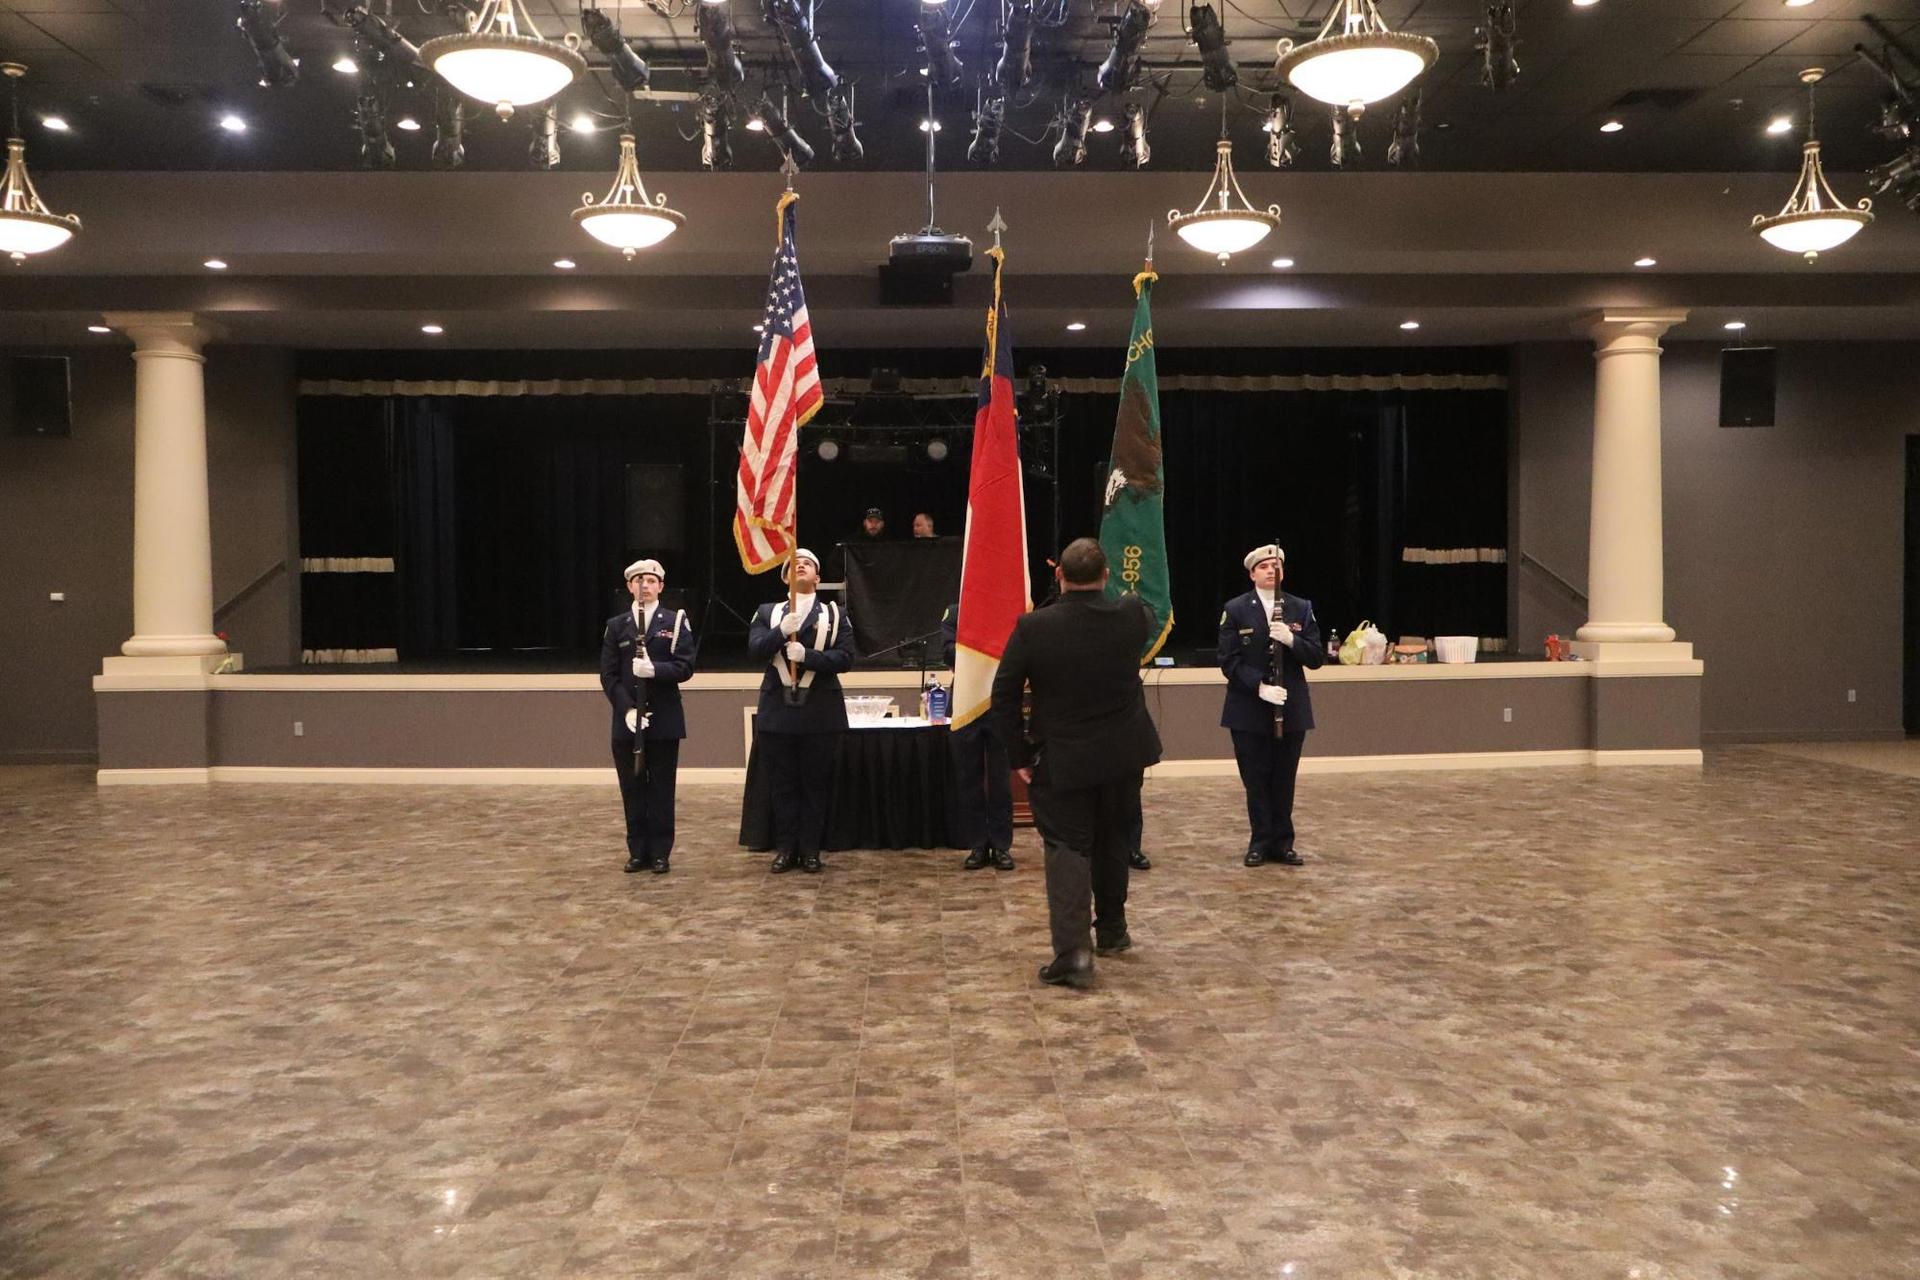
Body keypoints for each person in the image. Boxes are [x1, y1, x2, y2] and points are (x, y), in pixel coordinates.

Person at [990, 538, 1162, 988]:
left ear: (1059, 577)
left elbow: (1004, 695)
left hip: (1064, 758)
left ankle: (1074, 954)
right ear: (1106, 576)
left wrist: (1019, 756)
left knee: (1068, 848)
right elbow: (1140, 608)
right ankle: (1112, 930)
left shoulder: (1033, 628)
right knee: (1113, 839)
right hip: (1125, 755)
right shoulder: (1133, 615)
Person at [748, 548, 855, 874]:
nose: (801, 566)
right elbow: (753, 650)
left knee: (814, 784)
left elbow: (846, 658)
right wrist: (780, 632)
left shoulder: (836, 615)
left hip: (819, 711)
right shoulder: (767, 612)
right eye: (794, 564)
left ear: (818, 578)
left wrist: (807, 655)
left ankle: (810, 849)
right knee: (782, 785)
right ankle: (786, 848)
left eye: (808, 563)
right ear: (785, 578)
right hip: (778, 711)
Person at [1218, 544, 1324, 868]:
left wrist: (1294, 641)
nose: (1270, 570)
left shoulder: (1301, 608)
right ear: (1252, 574)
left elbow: (1316, 657)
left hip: (1290, 709)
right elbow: (1228, 660)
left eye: (1276, 564)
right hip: (1249, 709)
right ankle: (1260, 841)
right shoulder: (1236, 609)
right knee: (1256, 778)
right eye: (1264, 565)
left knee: (1283, 778)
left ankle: (1283, 842)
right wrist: (1258, 686)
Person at [599, 558, 698, 874]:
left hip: (664, 719)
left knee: (661, 790)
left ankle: (660, 851)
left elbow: (686, 667)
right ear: (629, 586)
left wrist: (656, 670)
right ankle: (637, 850)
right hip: (627, 722)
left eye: (651, 580)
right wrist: (627, 709)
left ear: (661, 586)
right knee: (632, 788)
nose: (645, 585)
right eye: (638, 580)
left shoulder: (675, 621)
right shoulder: (617, 626)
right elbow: (609, 675)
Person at [941, 602, 1014, 872]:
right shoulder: (956, 611)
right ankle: (977, 844)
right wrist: (981, 650)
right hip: (966, 698)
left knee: (1000, 781)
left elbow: (1016, 652)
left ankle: (1002, 845)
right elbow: (948, 652)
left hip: (999, 700)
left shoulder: (1005, 609)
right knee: (968, 778)